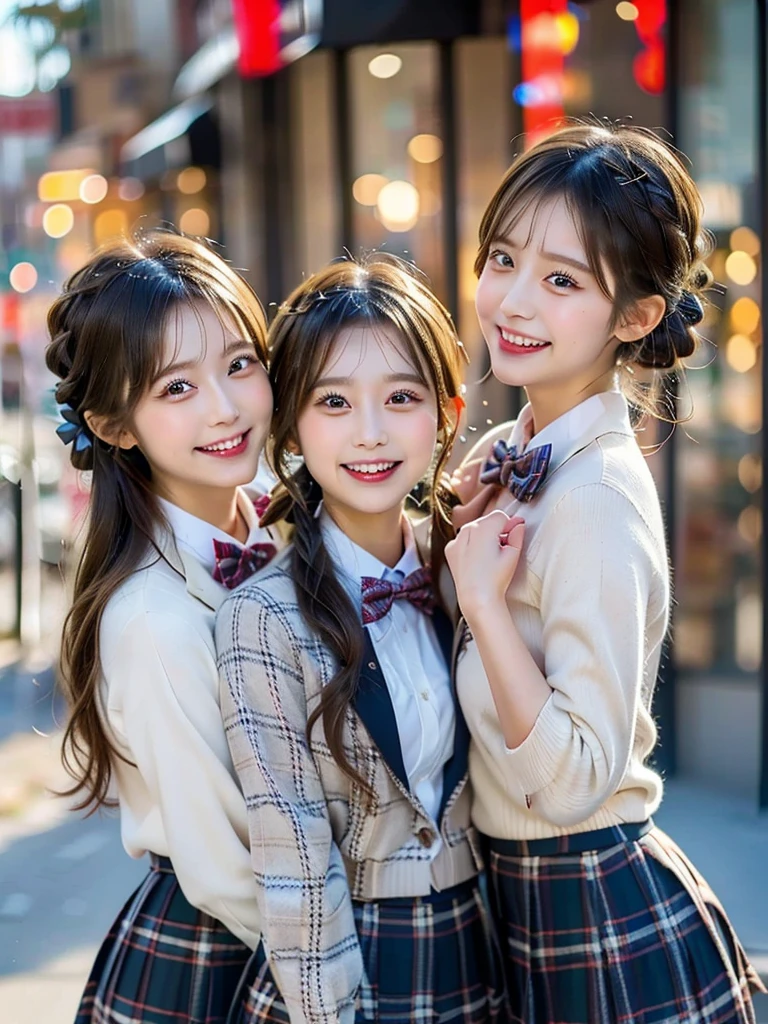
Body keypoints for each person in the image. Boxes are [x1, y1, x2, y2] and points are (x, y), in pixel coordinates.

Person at [444, 121, 766, 1024]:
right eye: (502, 259)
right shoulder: (513, 456)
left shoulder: (594, 498)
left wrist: (484, 604)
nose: (512, 300)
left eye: (561, 281)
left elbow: (581, 776)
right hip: (524, 896)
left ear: (634, 316)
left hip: (592, 903)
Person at [216, 253, 506, 1024]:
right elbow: (295, 861)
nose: (370, 433)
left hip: (477, 949)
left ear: (446, 412)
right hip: (347, 965)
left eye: (400, 397)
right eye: (334, 402)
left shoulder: (463, 569)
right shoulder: (262, 618)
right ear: (293, 423)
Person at [46, 230, 283, 1023]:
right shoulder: (153, 618)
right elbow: (228, 872)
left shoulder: (278, 533)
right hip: (224, 957)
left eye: (240, 364)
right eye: (176, 389)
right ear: (115, 425)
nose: (225, 406)